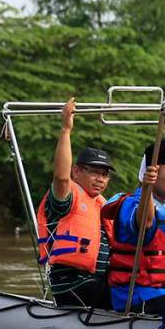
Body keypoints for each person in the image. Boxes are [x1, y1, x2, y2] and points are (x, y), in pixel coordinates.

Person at [36, 97, 114, 309]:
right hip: (74, 286)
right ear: (77, 171)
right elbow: (61, 177)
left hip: (97, 283)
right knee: (124, 292)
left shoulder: (102, 204)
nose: (101, 179)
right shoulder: (67, 196)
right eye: (95, 172)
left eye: (105, 175)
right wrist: (66, 130)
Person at [102, 149, 165, 315]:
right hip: (138, 295)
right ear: (153, 174)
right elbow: (145, 223)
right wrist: (147, 186)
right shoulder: (132, 204)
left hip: (163, 291)